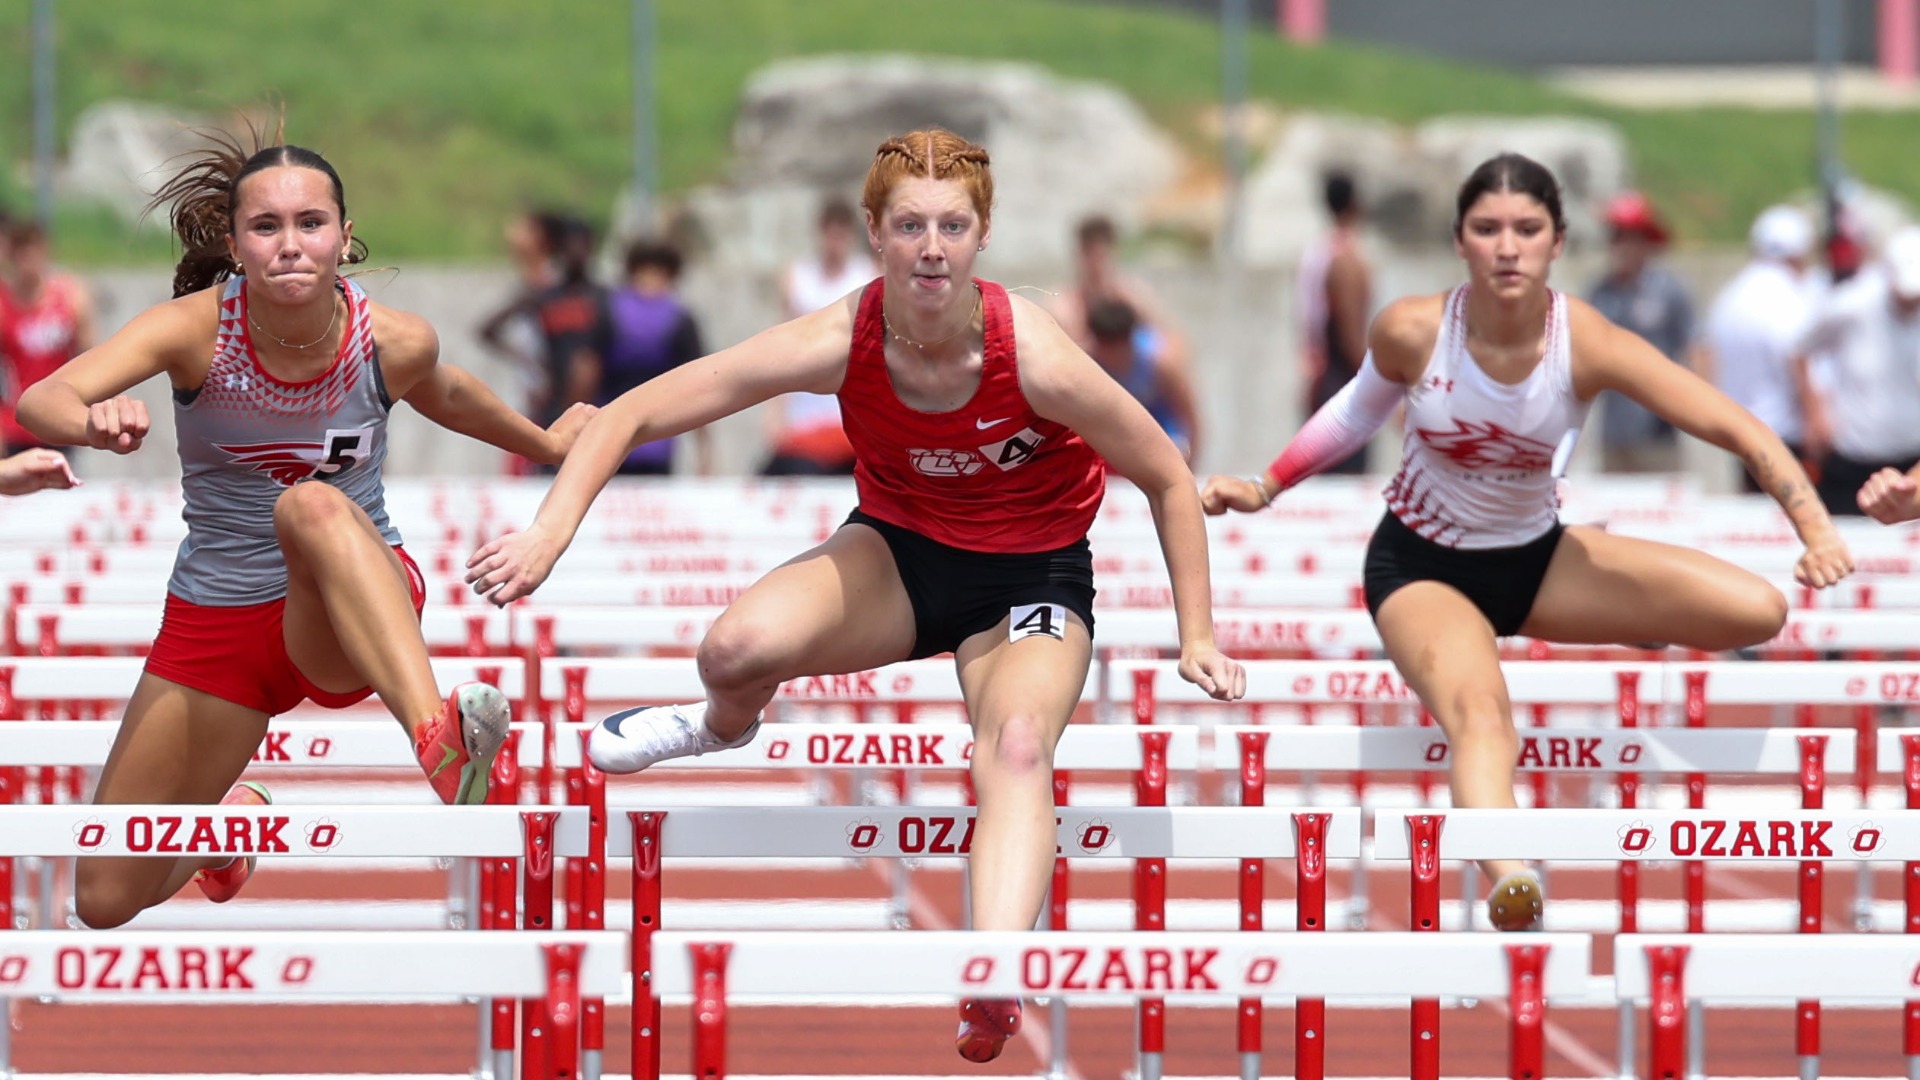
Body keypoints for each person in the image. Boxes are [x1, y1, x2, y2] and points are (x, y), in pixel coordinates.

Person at [465, 128, 1245, 1062]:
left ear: (983, 235)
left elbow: (1165, 473)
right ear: (873, 235)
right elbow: (636, 410)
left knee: (1021, 744)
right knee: (731, 651)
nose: (931, 247)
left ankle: (993, 970)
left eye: (952, 226)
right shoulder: (843, 336)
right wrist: (548, 534)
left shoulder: (1031, 351)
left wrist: (1194, 632)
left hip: (1032, 576)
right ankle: (722, 723)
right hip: (901, 556)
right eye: (910, 225)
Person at [1201, 153, 1852, 932]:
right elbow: (1353, 413)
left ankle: (1623, 618)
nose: (1507, 246)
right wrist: (1265, 485)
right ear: (1461, 242)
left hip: (1537, 560)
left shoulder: (1590, 341)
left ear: (1557, 243)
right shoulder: (1414, 328)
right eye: (1487, 229)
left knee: (1759, 611)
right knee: (1483, 716)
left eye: (1526, 229)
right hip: (1422, 568)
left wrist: (1814, 529)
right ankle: (1511, 875)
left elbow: (1735, 425)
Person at [16, 128, 595, 930]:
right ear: (235, 243)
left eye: (311, 224)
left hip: (347, 602)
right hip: (217, 619)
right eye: (266, 228)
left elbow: (449, 394)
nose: (291, 246)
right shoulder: (193, 330)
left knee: (308, 504)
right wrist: (91, 421)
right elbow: (41, 399)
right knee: (104, 899)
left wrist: (549, 443)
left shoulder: (393, 338)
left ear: (344, 236)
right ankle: (231, 826)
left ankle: (438, 736)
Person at [1793, 225, 1920, 516]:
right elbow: (1800, 349)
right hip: (1855, 454)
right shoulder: (1850, 304)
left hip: (1913, 456)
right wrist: (1814, 413)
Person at [1697, 205, 1818, 492]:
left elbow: (1705, 358)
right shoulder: (1791, 298)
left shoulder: (1729, 297)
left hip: (1740, 436)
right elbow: (1798, 362)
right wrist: (1817, 424)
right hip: (1787, 439)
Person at [760, 199, 872, 476]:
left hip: (847, 408)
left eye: (841, 235)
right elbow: (783, 345)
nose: (835, 243)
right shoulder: (798, 277)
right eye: (830, 235)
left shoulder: (867, 275)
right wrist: (775, 410)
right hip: (806, 407)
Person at [1587, 192, 1695, 473]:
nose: (1622, 246)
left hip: (1658, 427)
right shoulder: (1601, 293)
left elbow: (1695, 344)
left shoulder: (1668, 290)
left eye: (1630, 237)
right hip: (1614, 428)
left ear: (1647, 242)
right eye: (1617, 236)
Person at [588, 239, 711, 475]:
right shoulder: (679, 317)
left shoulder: (608, 309)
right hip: (655, 439)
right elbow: (701, 384)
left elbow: (586, 373)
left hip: (607, 434)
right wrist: (704, 450)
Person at [479, 213, 609, 433]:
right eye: (570, 245)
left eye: (582, 244)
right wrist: (531, 365)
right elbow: (488, 329)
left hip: (597, 405)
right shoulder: (544, 295)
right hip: (553, 405)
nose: (576, 252)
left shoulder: (604, 298)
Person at [1295, 171, 1372, 474]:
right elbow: (1349, 330)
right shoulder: (1346, 260)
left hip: (1318, 373)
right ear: (1355, 205)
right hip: (1341, 379)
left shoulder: (1315, 253)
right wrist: (1380, 383)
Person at [0, 220, 96, 453]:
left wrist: (83, 410)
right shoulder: (3, 304)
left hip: (57, 420)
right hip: (15, 424)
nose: (28, 262)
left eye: (33, 252)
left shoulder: (69, 296)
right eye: (21, 253)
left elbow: (89, 358)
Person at [1086, 297, 1201, 462]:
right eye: (1106, 348)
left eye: (1118, 348)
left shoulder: (1160, 362)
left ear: (1129, 339)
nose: (1114, 357)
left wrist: (1189, 470)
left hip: (1163, 427)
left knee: (1176, 450)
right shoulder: (1086, 358)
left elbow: (1191, 419)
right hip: (1118, 429)